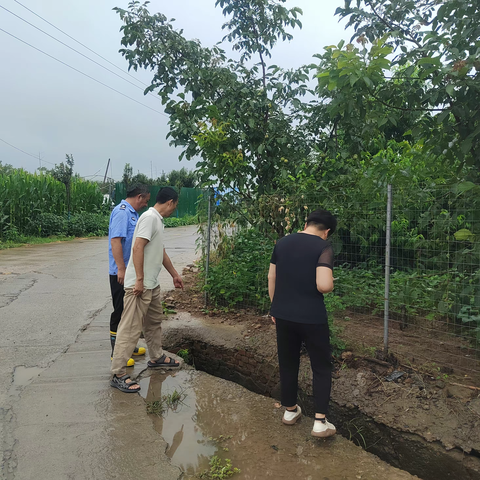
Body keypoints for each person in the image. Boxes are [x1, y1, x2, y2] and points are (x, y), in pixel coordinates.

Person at [268, 209, 337, 438]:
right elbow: (324, 285)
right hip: (312, 317)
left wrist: (275, 308)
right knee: (321, 367)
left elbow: (272, 277)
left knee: (288, 362)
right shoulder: (323, 247)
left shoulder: (283, 243)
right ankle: (319, 422)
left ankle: (289, 411)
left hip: (283, 315)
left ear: (306, 223)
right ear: (326, 232)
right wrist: (331, 282)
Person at [110, 187, 184, 393]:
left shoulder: (158, 221)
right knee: (130, 328)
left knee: (153, 322)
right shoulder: (149, 218)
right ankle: (118, 373)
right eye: (175, 205)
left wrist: (174, 274)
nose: (173, 209)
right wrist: (139, 280)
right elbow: (137, 247)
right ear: (170, 202)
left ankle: (157, 357)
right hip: (139, 286)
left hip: (151, 284)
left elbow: (160, 251)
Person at [108, 184, 150, 367]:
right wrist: (121, 268)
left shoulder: (133, 213)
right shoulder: (123, 212)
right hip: (120, 272)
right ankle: (115, 352)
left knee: (129, 311)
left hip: (129, 270)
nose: (145, 205)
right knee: (120, 311)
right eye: (146, 201)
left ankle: (128, 347)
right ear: (139, 197)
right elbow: (116, 240)